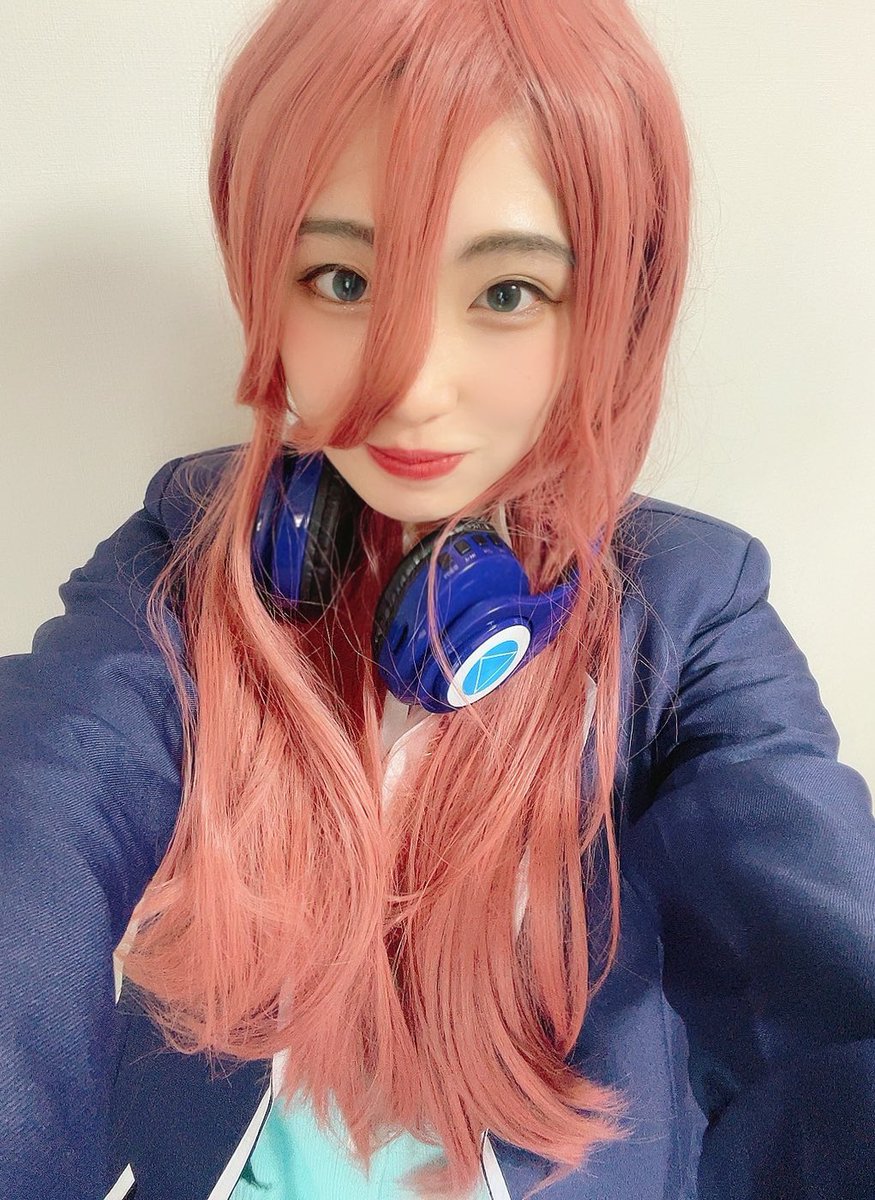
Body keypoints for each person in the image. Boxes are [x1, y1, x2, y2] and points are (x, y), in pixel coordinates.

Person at [1, 1, 873, 1198]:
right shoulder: (189, 555)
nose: (411, 386)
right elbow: (39, 811)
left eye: (506, 292)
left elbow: (810, 957)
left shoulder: (688, 616)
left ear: (611, 309)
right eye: (342, 278)